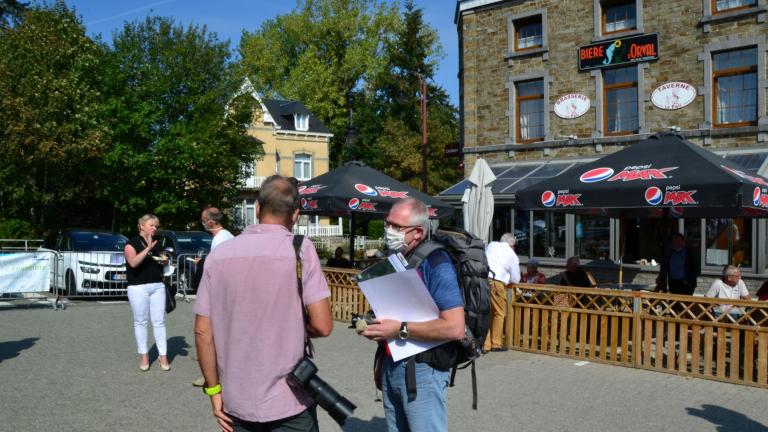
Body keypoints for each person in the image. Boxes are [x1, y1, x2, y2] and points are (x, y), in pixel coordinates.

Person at [194, 175, 333, 432]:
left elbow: (203, 332)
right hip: (290, 399)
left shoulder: (219, 256)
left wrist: (214, 391)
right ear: (295, 214)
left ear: (257, 208)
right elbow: (323, 326)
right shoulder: (300, 250)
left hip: (237, 400)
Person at [360, 198, 465, 432]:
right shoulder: (397, 259)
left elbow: (455, 327)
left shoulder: (437, 263)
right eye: (387, 224)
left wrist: (398, 329)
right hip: (393, 365)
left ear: (417, 232)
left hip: (423, 371)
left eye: (396, 227)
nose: (388, 231)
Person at [192, 206, 235, 387]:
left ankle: (212, 375)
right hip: (229, 291)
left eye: (203, 219)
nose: (202, 222)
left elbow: (217, 269)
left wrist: (202, 265)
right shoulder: (228, 236)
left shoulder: (219, 239)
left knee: (211, 334)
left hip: (221, 293)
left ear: (210, 222)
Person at [124, 213, 170, 372]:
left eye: (156, 226)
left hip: (157, 286)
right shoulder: (131, 244)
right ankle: (144, 355)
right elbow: (133, 262)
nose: (154, 228)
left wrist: (165, 260)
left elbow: (162, 260)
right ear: (141, 225)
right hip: (138, 287)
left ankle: (163, 355)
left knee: (159, 321)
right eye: (151, 225)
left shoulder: (157, 243)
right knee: (141, 321)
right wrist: (148, 249)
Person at [483, 233, 520, 353]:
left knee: (486, 313)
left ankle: (485, 344)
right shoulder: (512, 255)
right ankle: (496, 344)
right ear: (512, 244)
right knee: (499, 313)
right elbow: (516, 279)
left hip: (482, 280)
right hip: (496, 282)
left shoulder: (492, 244)